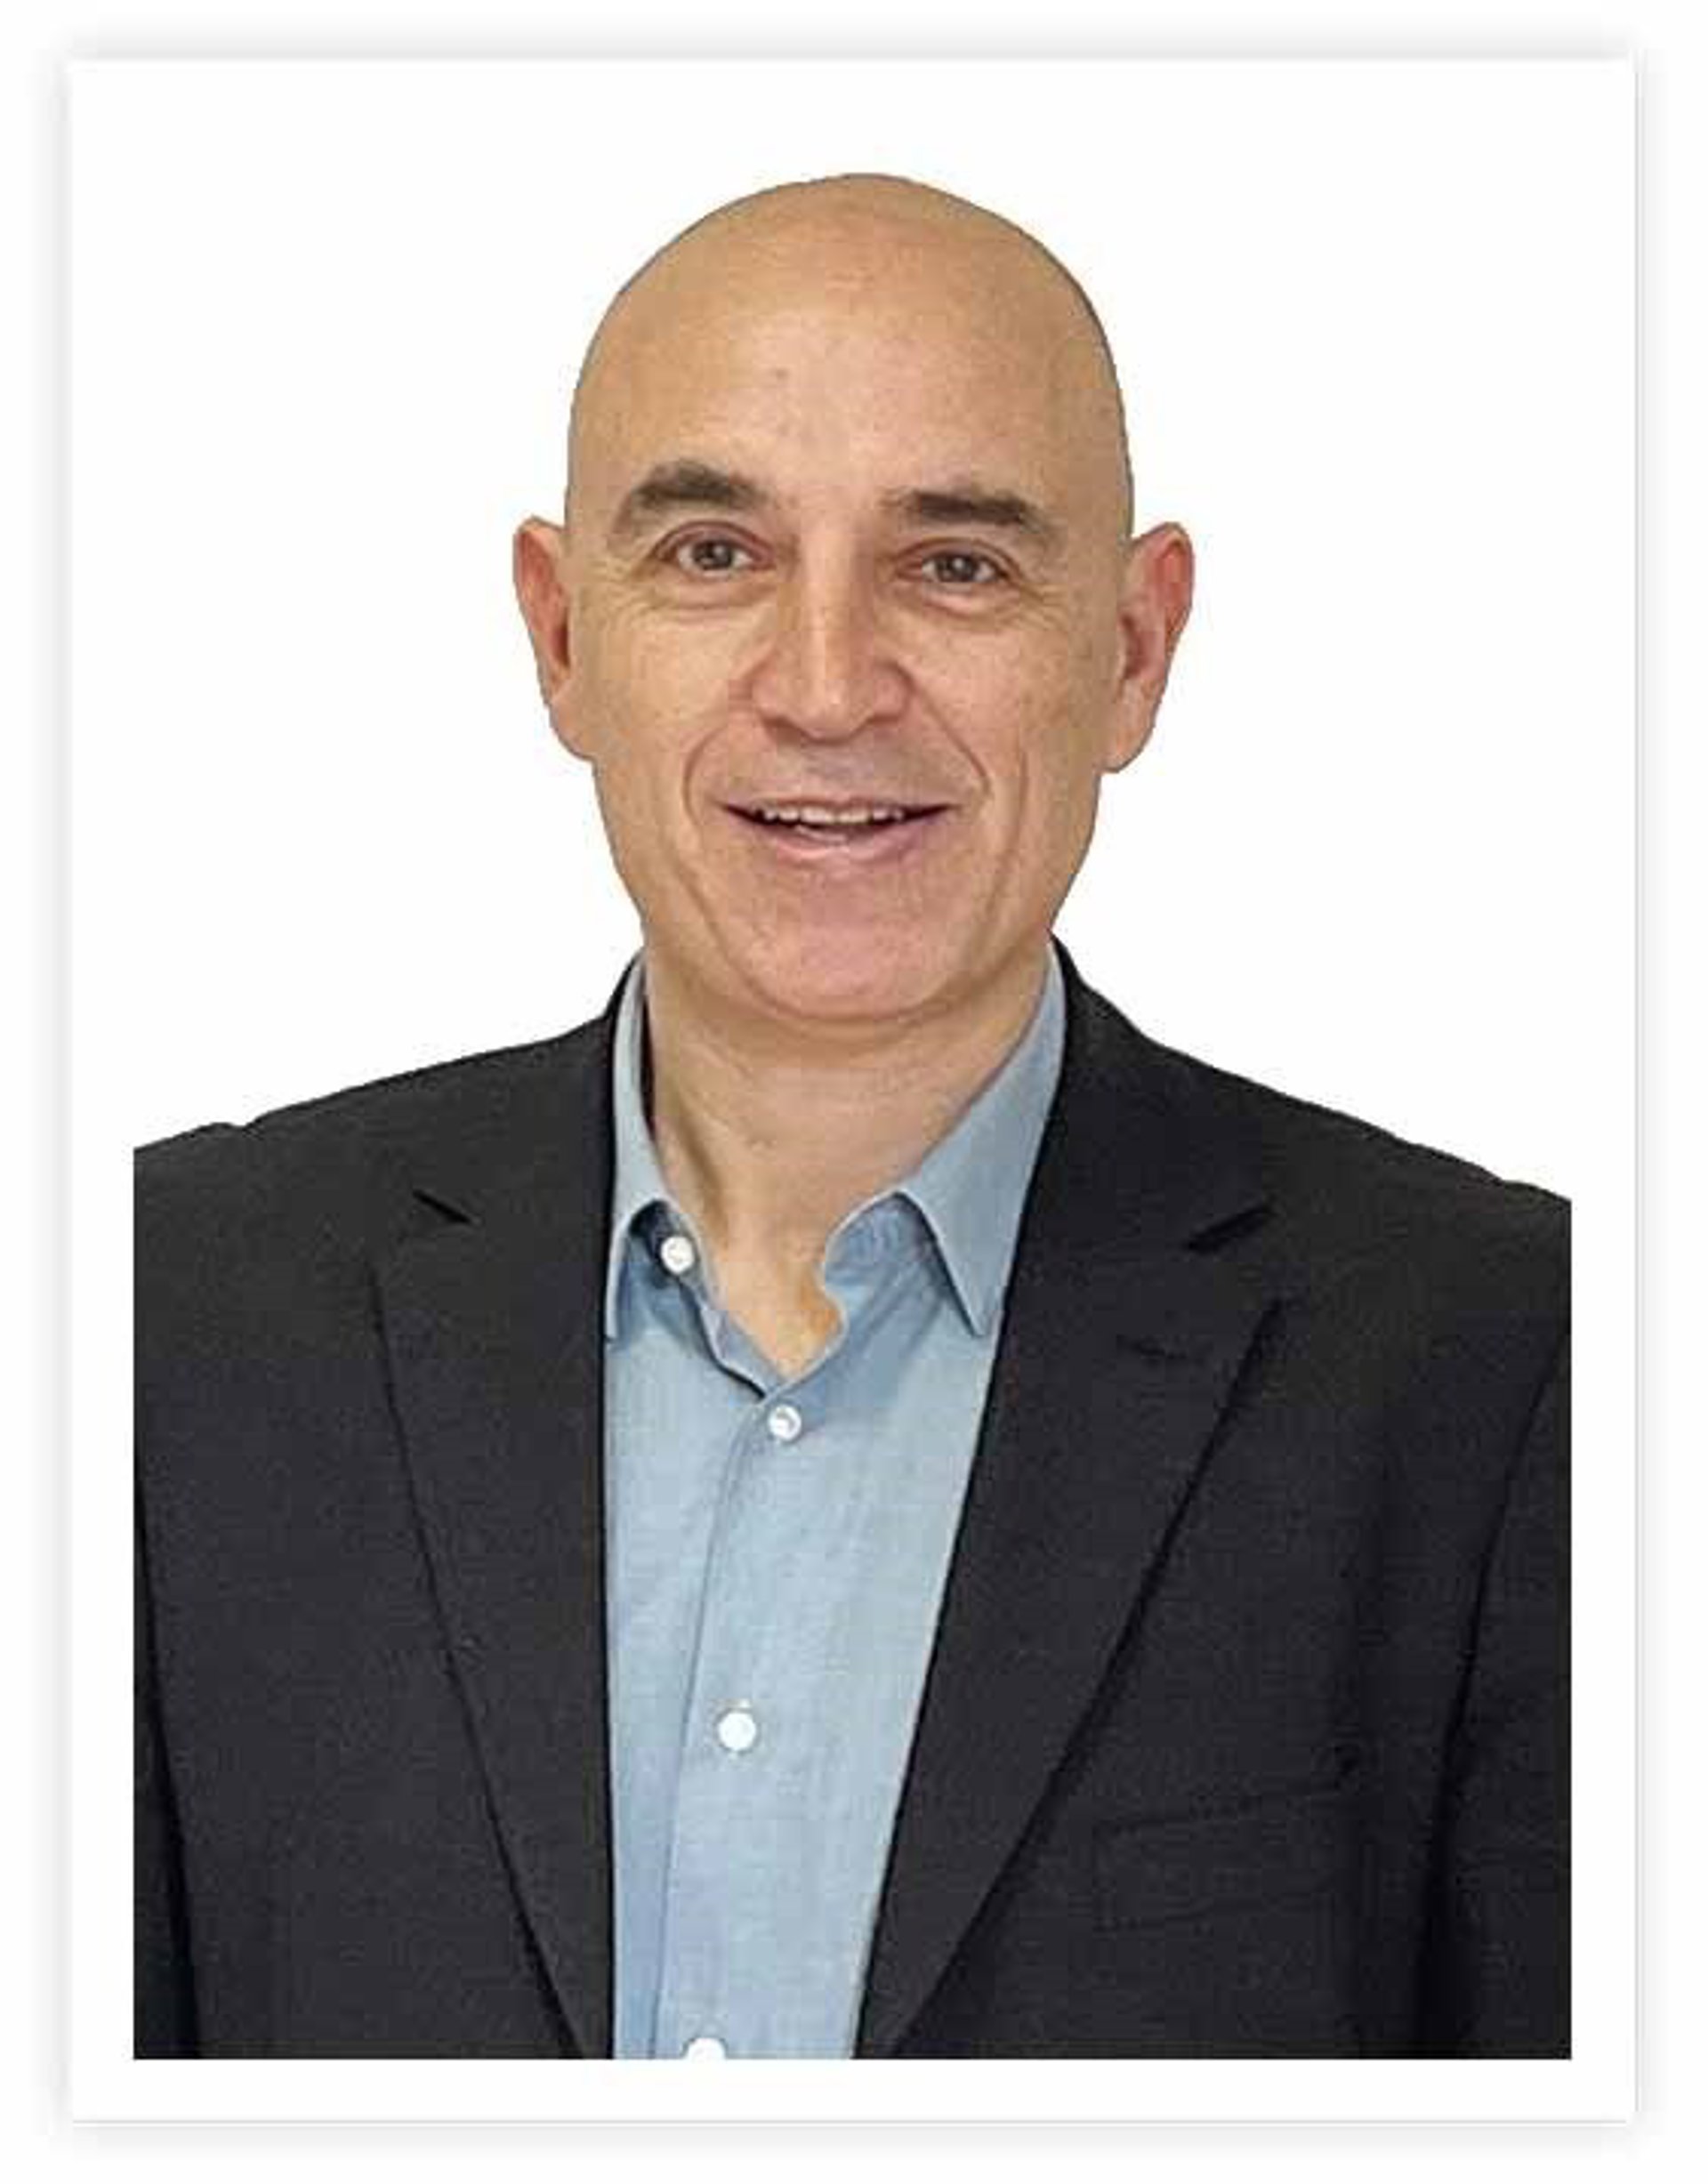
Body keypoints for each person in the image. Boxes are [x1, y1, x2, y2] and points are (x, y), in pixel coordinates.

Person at [134, 173, 1569, 2060]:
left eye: (954, 565)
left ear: (1132, 650)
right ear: (561, 637)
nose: (825, 689)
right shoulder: (157, 1321)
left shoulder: (1517, 1364)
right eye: (714, 553)